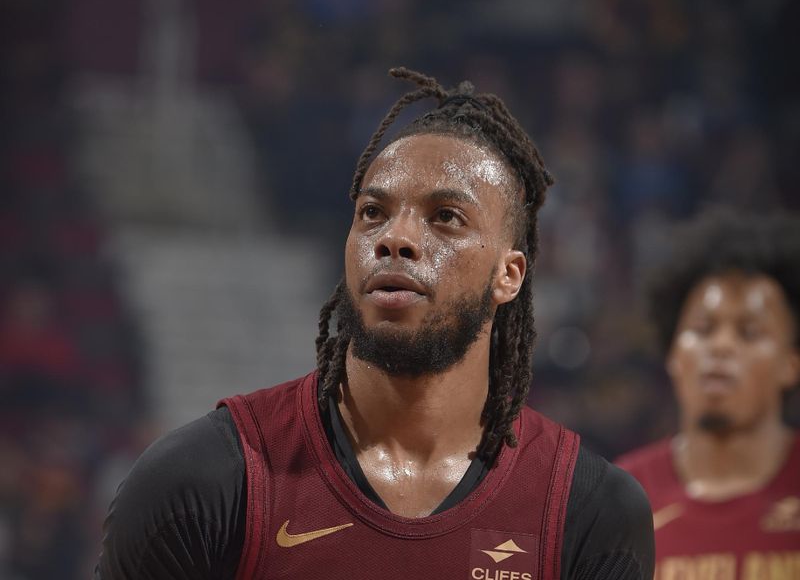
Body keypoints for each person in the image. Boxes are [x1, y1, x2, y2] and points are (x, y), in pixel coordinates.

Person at [96, 68, 654, 579]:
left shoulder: (590, 512)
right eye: (373, 213)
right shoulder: (202, 481)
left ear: (508, 275)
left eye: (445, 217)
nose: (395, 238)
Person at [616, 210, 800, 579]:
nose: (721, 347)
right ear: (673, 355)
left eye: (749, 333)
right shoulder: (616, 503)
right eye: (702, 329)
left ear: (790, 364)